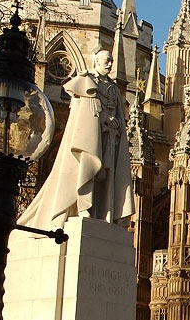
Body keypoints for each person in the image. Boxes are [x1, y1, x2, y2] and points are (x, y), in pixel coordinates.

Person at [18, 49, 134, 231]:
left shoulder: (113, 88)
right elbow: (83, 108)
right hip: (89, 138)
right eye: (106, 60)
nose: (110, 64)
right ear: (96, 62)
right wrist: (104, 118)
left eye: (111, 61)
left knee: (106, 176)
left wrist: (116, 123)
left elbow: (119, 114)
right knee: (87, 168)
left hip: (110, 137)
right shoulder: (87, 80)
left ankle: (103, 213)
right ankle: (83, 207)